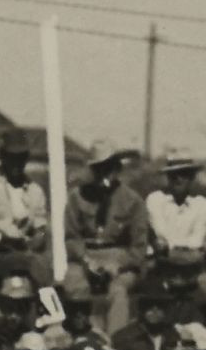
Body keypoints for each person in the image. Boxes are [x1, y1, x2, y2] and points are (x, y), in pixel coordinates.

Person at [62, 140, 148, 334]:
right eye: (99, 169)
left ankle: (116, 342)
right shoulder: (77, 197)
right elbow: (71, 237)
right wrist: (85, 260)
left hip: (120, 260)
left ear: (117, 169)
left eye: (109, 167)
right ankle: (79, 338)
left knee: (117, 291)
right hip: (87, 256)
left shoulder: (133, 201)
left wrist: (117, 265)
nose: (104, 174)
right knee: (74, 283)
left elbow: (139, 248)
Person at [111, 277, 176, 350]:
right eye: (149, 304)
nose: (155, 310)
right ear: (140, 307)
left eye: (160, 305)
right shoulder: (123, 338)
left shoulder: (173, 335)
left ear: (166, 309)